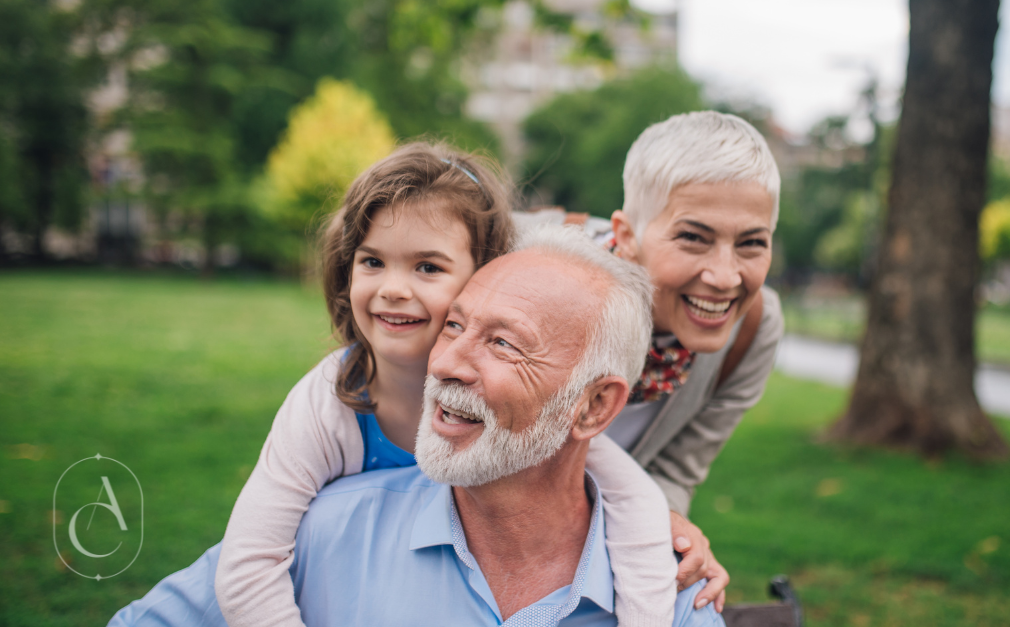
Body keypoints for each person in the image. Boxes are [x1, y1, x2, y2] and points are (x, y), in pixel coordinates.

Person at [108, 226, 722, 627]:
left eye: (504, 344)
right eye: (452, 326)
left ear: (593, 408)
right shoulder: (322, 535)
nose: (448, 362)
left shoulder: (674, 595)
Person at [213, 144, 677, 627]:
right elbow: (249, 563)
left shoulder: (535, 414)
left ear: (488, 275)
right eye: (372, 261)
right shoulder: (328, 400)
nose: (393, 288)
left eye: (427, 267)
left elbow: (634, 503)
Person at [524, 111, 785, 613]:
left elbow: (675, 470)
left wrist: (671, 532)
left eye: (752, 242)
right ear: (625, 235)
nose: (726, 277)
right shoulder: (531, 266)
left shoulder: (753, 331)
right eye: (694, 237)